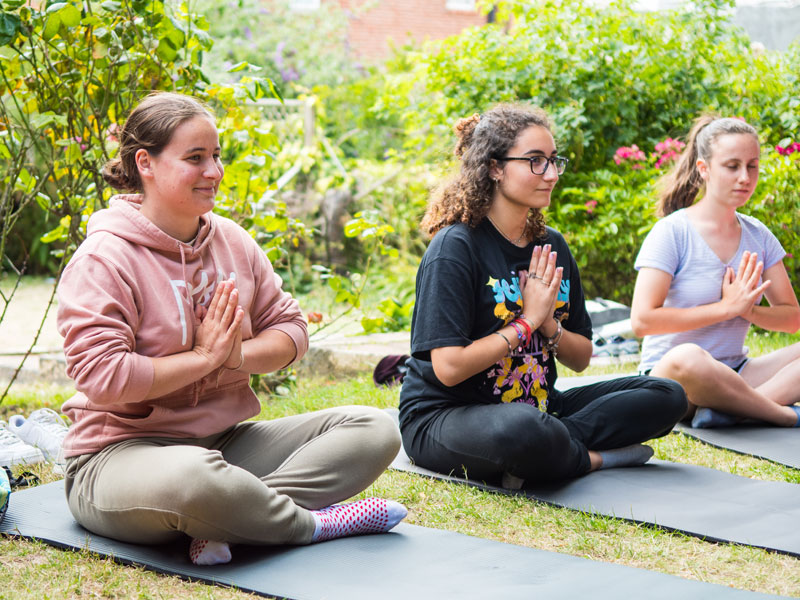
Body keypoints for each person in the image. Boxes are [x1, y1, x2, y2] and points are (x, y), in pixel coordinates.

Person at [57, 92, 406, 566]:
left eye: (216, 156)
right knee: (196, 479)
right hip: (117, 457)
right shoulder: (105, 258)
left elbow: (292, 330)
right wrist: (201, 360)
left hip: (222, 444)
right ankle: (313, 524)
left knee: (373, 429)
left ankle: (231, 521)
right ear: (146, 163)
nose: (214, 171)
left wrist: (235, 356)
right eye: (195, 158)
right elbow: (105, 378)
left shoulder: (231, 241)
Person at [397, 104, 687, 486]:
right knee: (522, 430)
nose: (550, 174)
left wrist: (549, 323)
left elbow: (581, 358)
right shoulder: (456, 246)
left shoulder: (552, 247)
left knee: (667, 396)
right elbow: (448, 369)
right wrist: (527, 321)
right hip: (447, 415)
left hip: (540, 406)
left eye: (553, 161)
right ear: (495, 167)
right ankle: (589, 458)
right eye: (535, 161)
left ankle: (549, 451)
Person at [631, 116, 800, 428]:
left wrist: (748, 311)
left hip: (737, 371)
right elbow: (642, 321)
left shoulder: (758, 235)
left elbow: (792, 319)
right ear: (704, 169)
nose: (745, 177)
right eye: (732, 166)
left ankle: (732, 410)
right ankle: (780, 413)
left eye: (752, 166)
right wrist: (724, 309)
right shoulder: (671, 232)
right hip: (674, 380)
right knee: (689, 356)